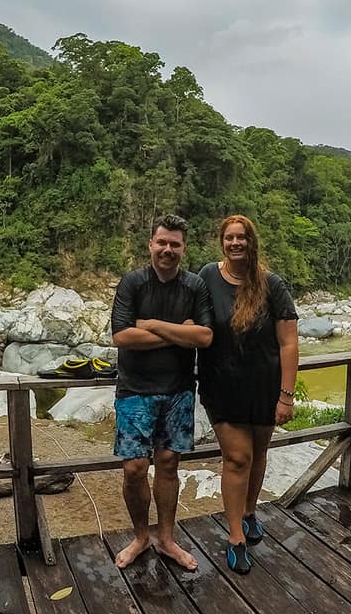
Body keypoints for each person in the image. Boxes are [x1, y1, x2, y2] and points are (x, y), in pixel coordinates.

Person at [111, 214, 214, 570]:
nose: (167, 250)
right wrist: (177, 333)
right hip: (134, 390)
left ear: (184, 248)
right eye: (162, 243)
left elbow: (204, 337)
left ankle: (167, 539)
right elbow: (122, 337)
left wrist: (151, 325)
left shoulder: (194, 286)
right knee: (135, 468)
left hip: (179, 390)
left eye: (175, 244)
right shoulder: (133, 283)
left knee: (169, 465)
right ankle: (141, 537)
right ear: (150, 245)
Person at [198, 214, 299, 575]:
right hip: (221, 386)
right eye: (229, 237)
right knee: (238, 457)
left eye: (242, 237)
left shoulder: (271, 284)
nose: (235, 243)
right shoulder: (208, 276)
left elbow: (288, 342)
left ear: (252, 241)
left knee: (258, 454)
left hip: (264, 386)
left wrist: (286, 395)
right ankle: (236, 535)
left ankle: (250, 510)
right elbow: (192, 318)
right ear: (221, 241)